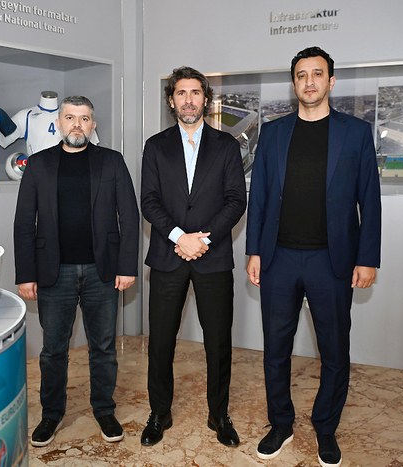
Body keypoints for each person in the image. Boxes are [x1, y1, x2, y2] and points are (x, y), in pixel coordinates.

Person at [246, 46, 381, 465]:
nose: (309, 82)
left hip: (332, 261)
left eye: (317, 74)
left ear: (331, 81)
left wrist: (368, 257)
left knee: (334, 350)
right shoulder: (273, 133)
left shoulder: (355, 133)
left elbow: (370, 200)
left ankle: (326, 427)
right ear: (294, 83)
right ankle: (280, 424)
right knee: (276, 349)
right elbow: (259, 196)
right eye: (301, 75)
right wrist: (254, 250)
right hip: (279, 259)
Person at [13, 95, 139, 447]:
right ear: (60, 123)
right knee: (53, 350)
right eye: (70, 117)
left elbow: (129, 216)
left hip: (103, 271)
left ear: (93, 125)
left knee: (103, 348)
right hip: (54, 273)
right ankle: (51, 414)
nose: (77, 125)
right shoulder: (38, 164)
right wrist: (26, 274)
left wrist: (126, 266)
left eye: (84, 118)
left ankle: (104, 410)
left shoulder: (111, 162)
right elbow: (24, 222)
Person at [140, 66, 247, 447]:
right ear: (171, 101)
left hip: (212, 257)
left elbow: (236, 200)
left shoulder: (226, 145)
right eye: (181, 93)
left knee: (218, 343)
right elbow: (148, 200)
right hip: (168, 256)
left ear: (206, 99)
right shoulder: (155, 146)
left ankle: (219, 415)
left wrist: (203, 240)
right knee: (160, 342)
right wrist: (179, 237)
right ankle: (159, 413)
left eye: (195, 93)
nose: (188, 100)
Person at [0, 91, 101, 156]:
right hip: (39, 171)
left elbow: (92, 145)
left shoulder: (75, 118)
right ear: (57, 123)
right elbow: (2, 140)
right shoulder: (26, 115)